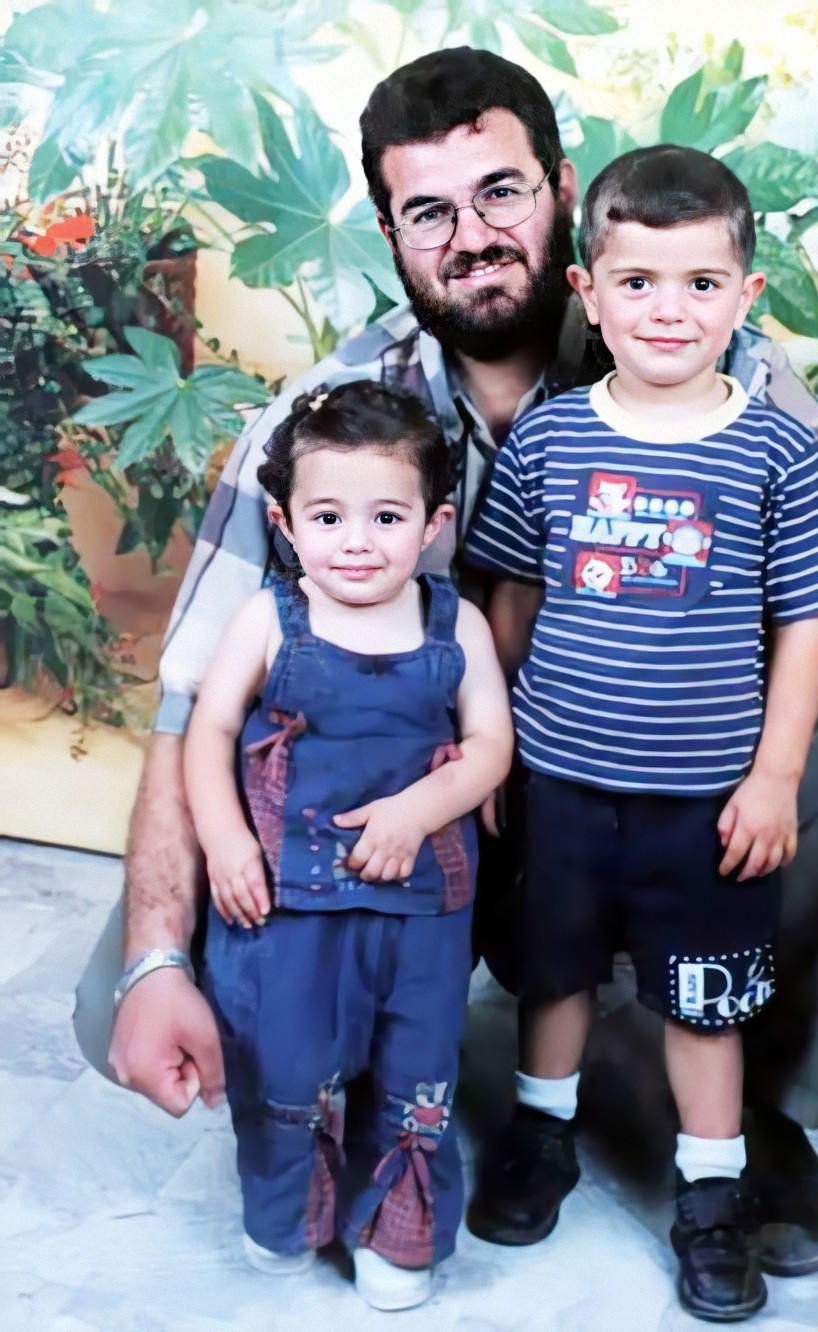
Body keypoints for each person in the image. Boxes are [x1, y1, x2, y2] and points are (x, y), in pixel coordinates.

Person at [77, 45, 818, 1286]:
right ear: (390, 234)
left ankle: (722, 1087)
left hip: (660, 779)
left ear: (561, 188)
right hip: (415, 796)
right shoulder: (327, 420)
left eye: (500, 192)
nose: (472, 236)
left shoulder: (708, 356)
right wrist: (156, 956)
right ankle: (392, 1056)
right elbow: (193, 693)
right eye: (429, 212)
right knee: (129, 995)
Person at [462, 143, 818, 1320]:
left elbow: (804, 621)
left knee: (704, 1001)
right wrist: (490, 746)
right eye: (636, 281)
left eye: (700, 283)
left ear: (746, 297)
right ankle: (540, 1136)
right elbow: (511, 599)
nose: (667, 309)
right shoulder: (551, 440)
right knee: (554, 976)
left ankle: (710, 1191)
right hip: (559, 781)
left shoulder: (776, 448)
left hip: (705, 802)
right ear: (587, 293)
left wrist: (776, 775)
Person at [181, 380, 513, 1309]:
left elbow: (492, 744)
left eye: (387, 517)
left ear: (434, 525)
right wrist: (225, 841)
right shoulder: (270, 619)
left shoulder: (455, 624)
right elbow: (210, 731)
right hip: (288, 906)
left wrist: (418, 810)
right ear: (285, 525)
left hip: (419, 911)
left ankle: (395, 1234)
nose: (357, 542)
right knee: (284, 1061)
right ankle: (288, 1216)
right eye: (328, 517)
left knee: (415, 1066)